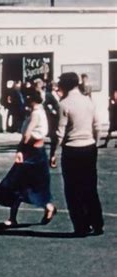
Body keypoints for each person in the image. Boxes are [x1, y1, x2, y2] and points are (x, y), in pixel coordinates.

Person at [0, 90, 57, 226]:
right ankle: (16, 216)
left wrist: (20, 150)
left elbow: (27, 135)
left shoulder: (35, 114)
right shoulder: (39, 112)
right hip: (38, 151)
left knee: (19, 183)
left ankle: (18, 216)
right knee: (27, 184)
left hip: (32, 152)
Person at [50, 72, 103, 236]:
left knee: (73, 189)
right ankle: (97, 223)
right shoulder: (88, 101)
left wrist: (53, 153)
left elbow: (60, 132)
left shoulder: (64, 104)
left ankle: (81, 225)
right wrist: (95, 142)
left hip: (72, 148)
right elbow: (97, 126)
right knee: (90, 187)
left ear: (65, 85)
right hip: (89, 147)